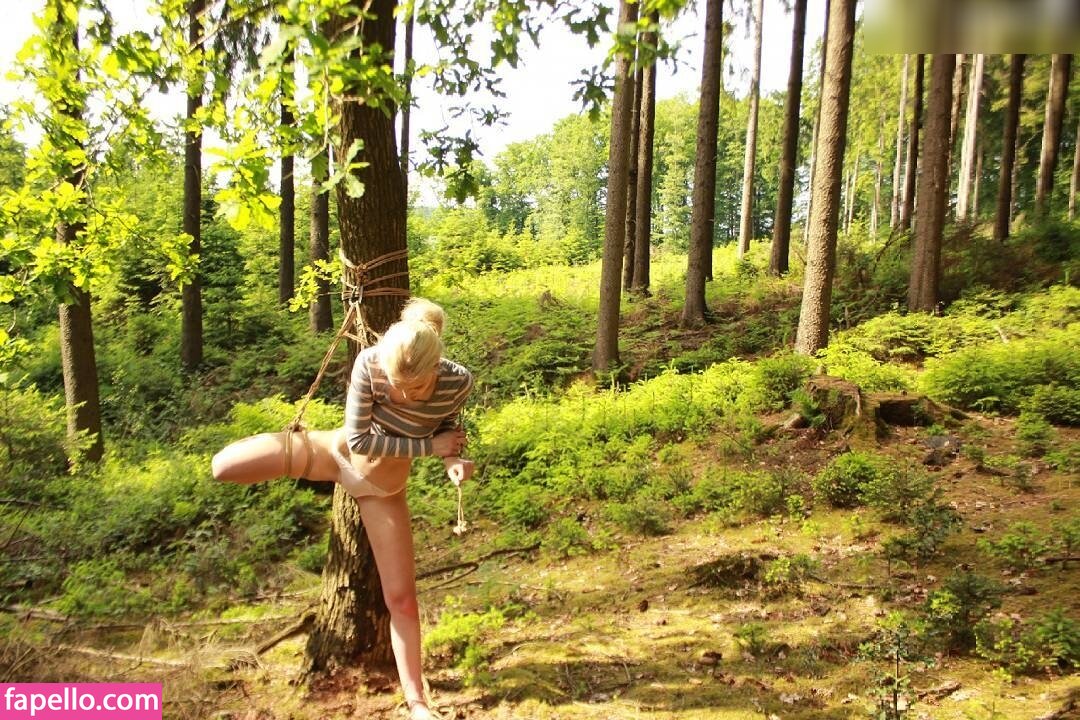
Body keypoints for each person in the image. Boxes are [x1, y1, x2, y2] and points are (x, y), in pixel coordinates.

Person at [211, 298, 474, 720]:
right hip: (332, 456)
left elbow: (448, 435)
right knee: (224, 467)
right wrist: (430, 448)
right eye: (395, 385)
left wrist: (453, 462)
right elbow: (359, 441)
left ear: (434, 369)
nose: (401, 394)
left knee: (402, 600)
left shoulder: (457, 382)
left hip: (383, 493)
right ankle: (274, 442)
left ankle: (417, 703)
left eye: (412, 389)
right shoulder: (371, 362)